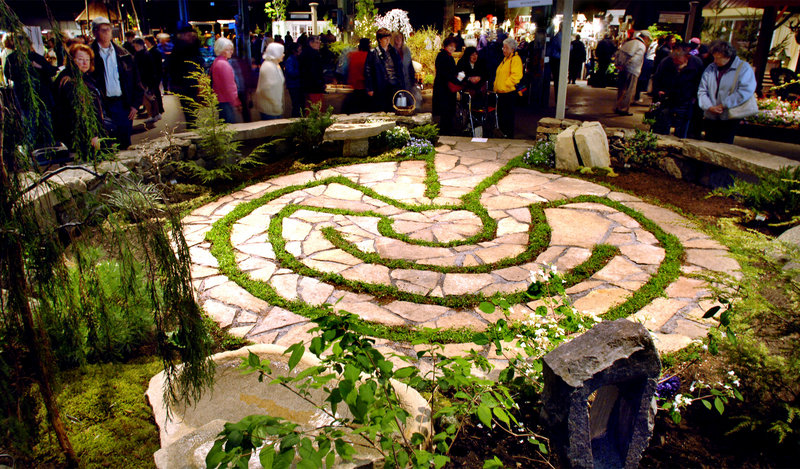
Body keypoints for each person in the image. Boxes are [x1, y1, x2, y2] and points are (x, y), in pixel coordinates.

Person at [89, 16, 143, 149]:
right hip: (103, 105)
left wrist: (135, 105)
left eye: (109, 29)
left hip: (122, 105)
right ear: (95, 32)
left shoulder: (123, 54)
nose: (107, 32)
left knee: (125, 142)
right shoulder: (90, 54)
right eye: (103, 30)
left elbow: (136, 81)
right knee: (106, 144)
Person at [697, 40, 756, 144]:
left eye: (718, 58)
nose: (715, 61)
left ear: (728, 56)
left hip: (729, 116)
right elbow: (702, 90)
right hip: (711, 115)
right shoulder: (710, 68)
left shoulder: (744, 68)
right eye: (714, 57)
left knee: (724, 145)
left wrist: (724, 105)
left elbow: (745, 91)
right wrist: (708, 106)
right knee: (708, 144)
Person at [54, 43, 106, 153]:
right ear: (72, 60)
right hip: (82, 135)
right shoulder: (69, 80)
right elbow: (79, 110)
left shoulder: (84, 77)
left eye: (87, 59)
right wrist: (93, 134)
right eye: (81, 59)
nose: (85, 63)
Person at [651, 44, 704, 138]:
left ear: (687, 57)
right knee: (663, 122)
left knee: (682, 125)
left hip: (686, 98)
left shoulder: (696, 63)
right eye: (673, 59)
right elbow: (657, 78)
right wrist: (658, 91)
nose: (675, 61)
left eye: (678, 59)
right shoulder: (666, 62)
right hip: (668, 97)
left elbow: (699, 82)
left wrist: (695, 97)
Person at [168, 24, 203, 124]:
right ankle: (192, 126)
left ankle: (192, 125)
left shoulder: (190, 47)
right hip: (184, 84)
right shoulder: (181, 49)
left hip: (190, 83)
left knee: (192, 110)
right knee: (189, 110)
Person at [365, 28, 404, 112]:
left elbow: (400, 68)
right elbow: (368, 71)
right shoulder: (373, 53)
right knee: (381, 110)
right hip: (380, 86)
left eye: (389, 38)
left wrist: (401, 84)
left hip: (394, 85)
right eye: (385, 39)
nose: (388, 41)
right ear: (379, 40)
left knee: (394, 109)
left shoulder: (393, 51)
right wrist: (370, 88)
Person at [613, 30, 651, 116]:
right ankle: (623, 109)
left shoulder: (629, 43)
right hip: (632, 70)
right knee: (629, 90)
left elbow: (618, 53)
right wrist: (627, 65)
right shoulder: (641, 46)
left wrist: (619, 65)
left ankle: (618, 106)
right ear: (645, 38)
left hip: (622, 69)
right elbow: (635, 59)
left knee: (621, 89)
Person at [493, 37, 523, 138]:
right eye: (503, 47)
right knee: (502, 116)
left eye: (506, 48)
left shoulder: (515, 59)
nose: (504, 50)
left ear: (512, 49)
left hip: (508, 92)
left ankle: (508, 136)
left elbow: (516, 76)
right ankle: (504, 134)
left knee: (507, 116)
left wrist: (506, 84)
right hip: (502, 92)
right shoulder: (506, 59)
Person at [210, 37, 241, 124]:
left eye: (231, 49)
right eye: (228, 49)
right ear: (221, 50)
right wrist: (236, 101)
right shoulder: (224, 64)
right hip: (226, 101)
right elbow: (229, 86)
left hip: (220, 100)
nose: (231, 51)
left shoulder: (217, 62)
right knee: (229, 127)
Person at [432, 36, 459, 135]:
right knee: (445, 113)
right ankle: (445, 133)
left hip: (446, 88)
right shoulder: (443, 56)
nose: (453, 48)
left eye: (454, 47)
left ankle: (446, 131)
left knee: (447, 113)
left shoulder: (447, 56)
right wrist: (456, 78)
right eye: (451, 46)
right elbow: (445, 73)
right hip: (444, 88)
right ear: (446, 46)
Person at [132, 38, 162, 124]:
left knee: (147, 98)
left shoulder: (140, 55)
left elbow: (141, 69)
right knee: (152, 98)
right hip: (149, 79)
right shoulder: (147, 53)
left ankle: (152, 115)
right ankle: (155, 114)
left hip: (144, 80)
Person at [254, 42, 285, 120]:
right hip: (270, 109)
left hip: (275, 108)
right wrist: (276, 105)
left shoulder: (275, 65)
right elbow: (267, 90)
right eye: (281, 52)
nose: (283, 54)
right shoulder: (268, 67)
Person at [343, 38, 370, 114]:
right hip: (366, 90)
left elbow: (345, 70)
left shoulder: (352, 55)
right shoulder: (370, 56)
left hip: (354, 90)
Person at [299, 35, 325, 111]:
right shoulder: (314, 54)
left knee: (308, 108)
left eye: (319, 42)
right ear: (311, 43)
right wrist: (321, 82)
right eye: (317, 43)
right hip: (314, 86)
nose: (319, 44)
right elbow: (315, 71)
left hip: (306, 85)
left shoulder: (304, 53)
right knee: (316, 108)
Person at [284, 42, 303, 117]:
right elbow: (291, 72)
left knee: (298, 104)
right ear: (294, 51)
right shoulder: (290, 60)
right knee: (296, 105)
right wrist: (301, 72)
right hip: (293, 85)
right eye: (299, 50)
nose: (301, 52)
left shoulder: (295, 59)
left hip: (296, 84)